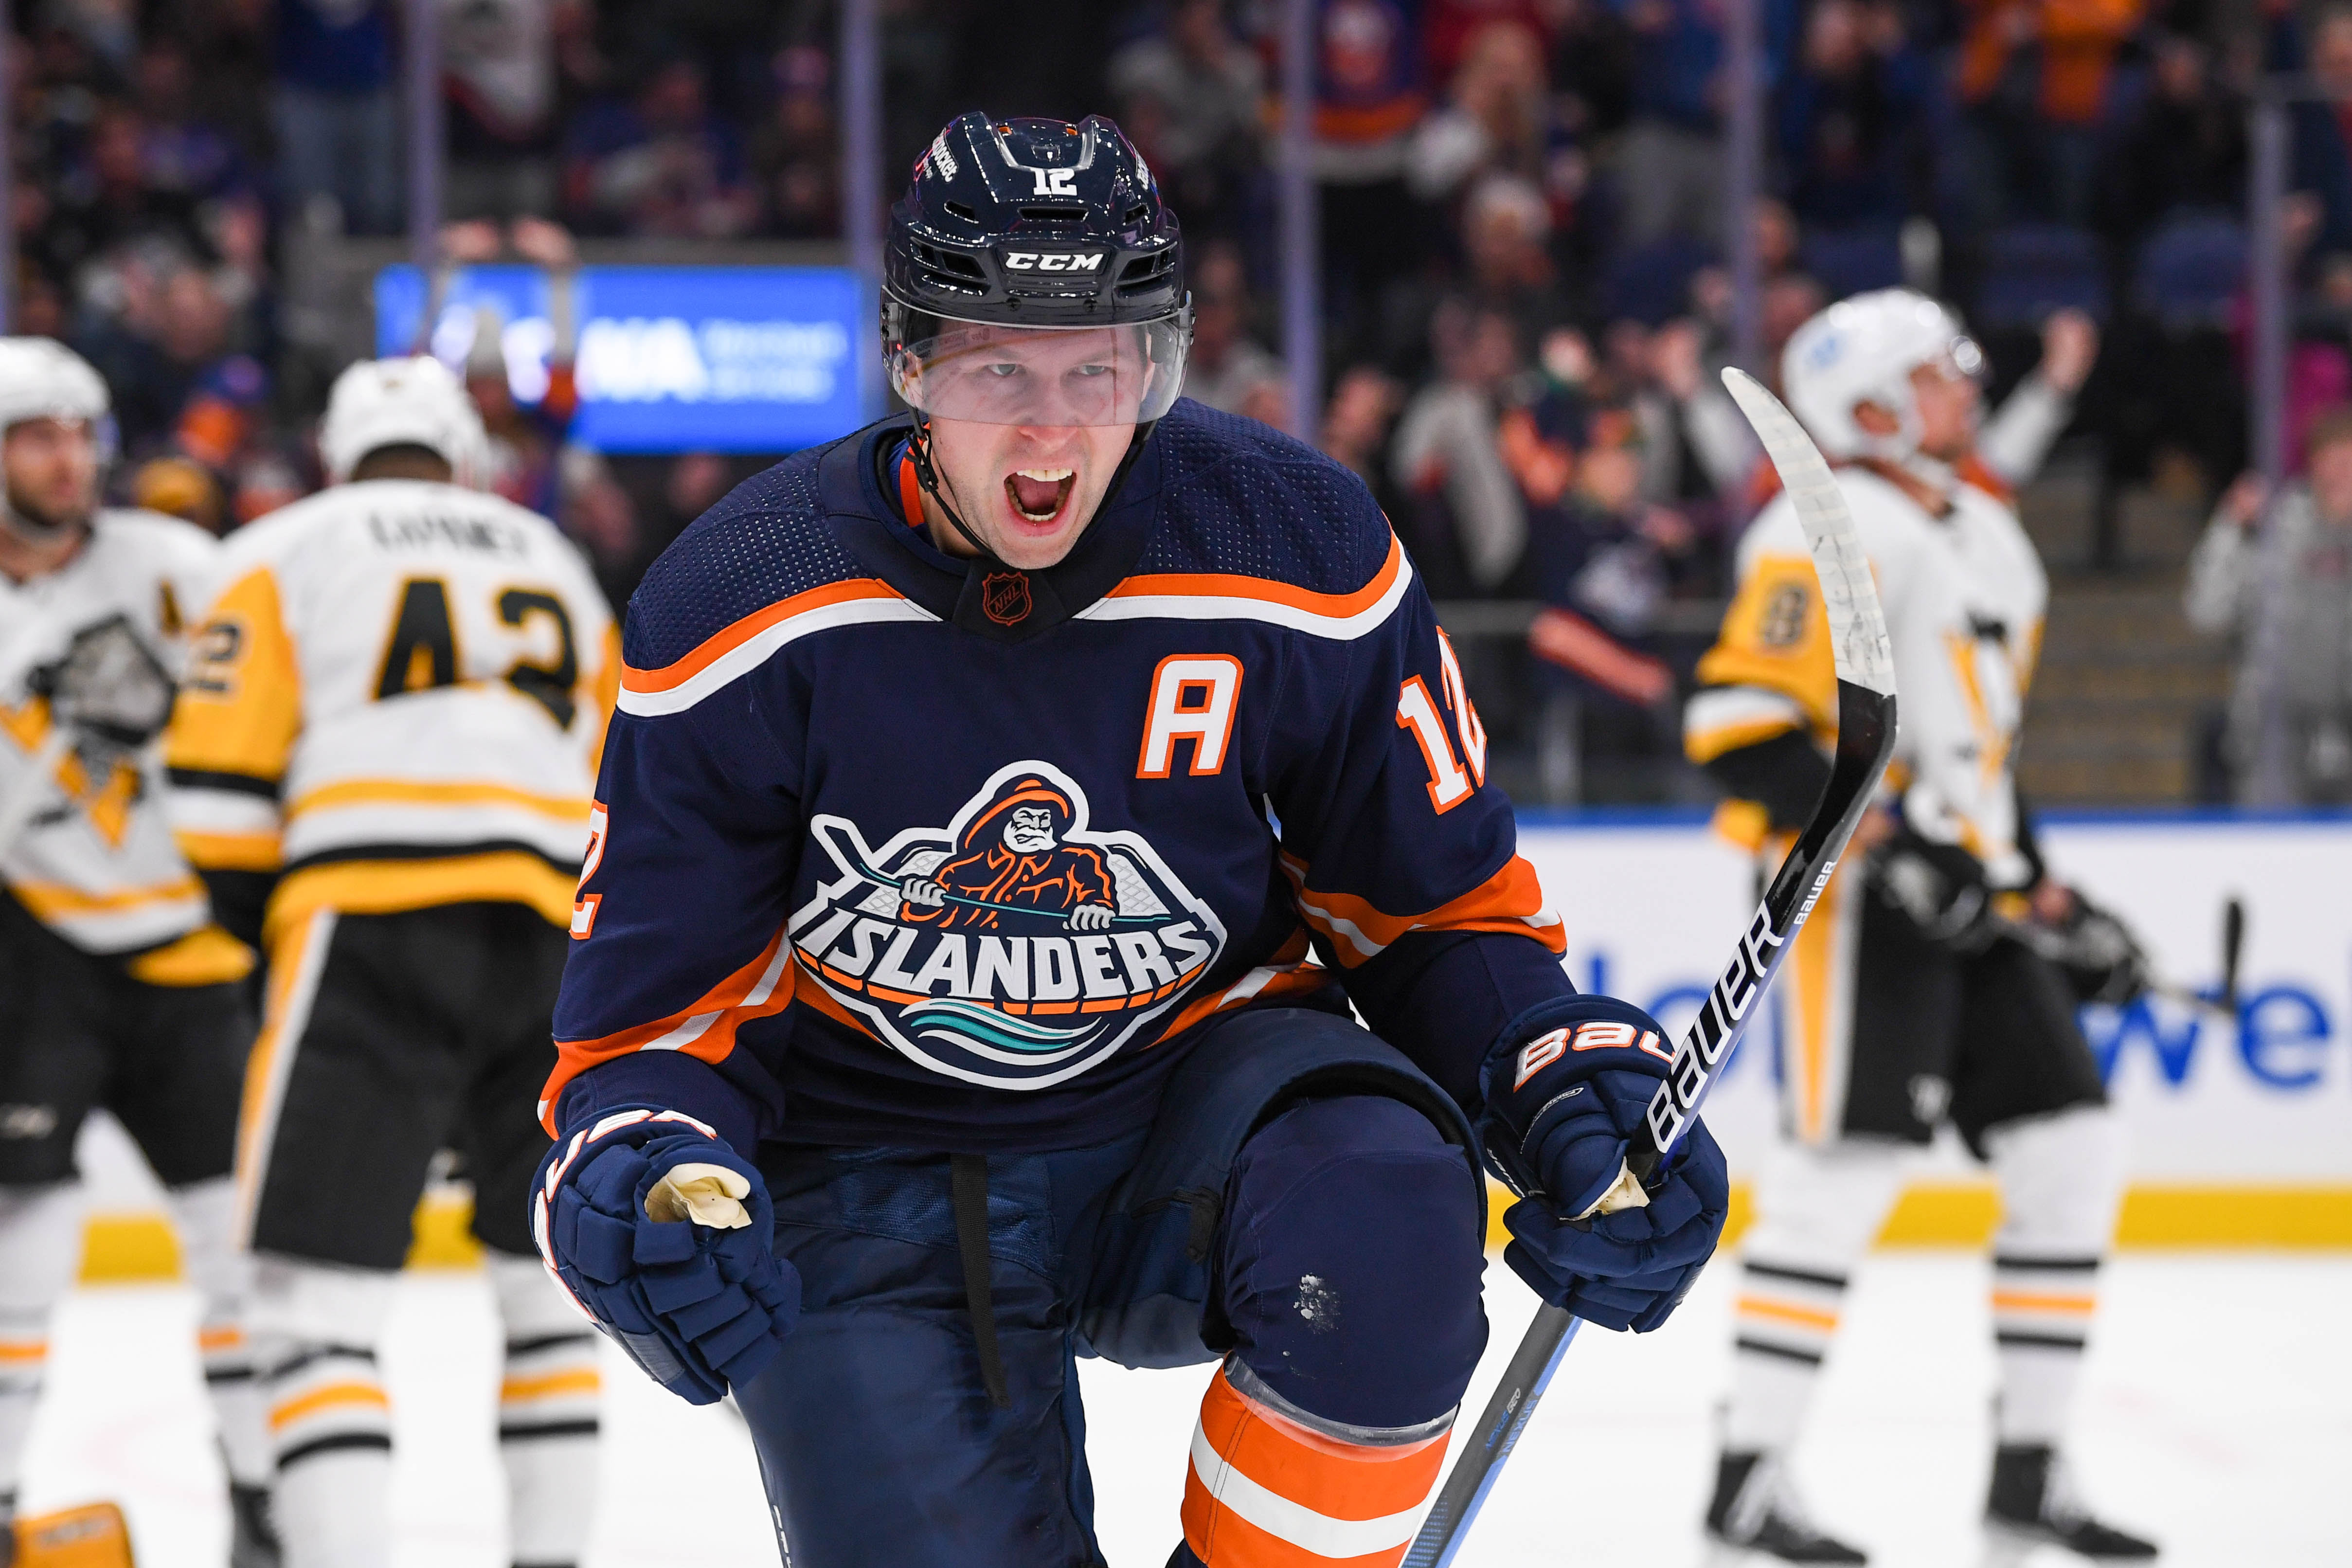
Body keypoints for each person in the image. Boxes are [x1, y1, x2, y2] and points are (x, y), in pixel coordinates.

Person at [531, 110, 1731, 1568]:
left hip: (1192, 1116)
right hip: (864, 1164)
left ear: (1152, 361)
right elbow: (655, 1019)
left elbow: (1435, 917)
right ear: (912, 364)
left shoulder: (1295, 548)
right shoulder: (741, 601)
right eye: (997, 369)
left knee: (1388, 1206)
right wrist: (638, 1161)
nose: (1052, 432)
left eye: (1096, 370)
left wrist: (1554, 1071)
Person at [1683, 290, 2157, 1562]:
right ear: (1872, 403)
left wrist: (2049, 891)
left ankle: (2026, 1469)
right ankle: (1746, 1475)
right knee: (1838, 1177)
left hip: (1971, 896)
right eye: (1941, 370)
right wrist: (1892, 852)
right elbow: (1735, 724)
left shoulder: (1981, 530)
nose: (1967, 382)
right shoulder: (1823, 524)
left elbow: (1975, 762)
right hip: (1852, 899)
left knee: (2069, 1151)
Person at [167, 357, 619, 1568]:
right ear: (466, 457)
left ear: (335, 453)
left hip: (365, 910)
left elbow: (208, 799)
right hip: (551, 930)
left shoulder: (281, 546)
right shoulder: (553, 562)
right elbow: (622, 781)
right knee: (542, 1295)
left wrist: (264, 943)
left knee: (314, 1313)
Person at [0, 338, 274, 1564]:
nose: (68, 458)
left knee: (236, 1252)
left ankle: (266, 1506)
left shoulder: (175, 565)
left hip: (190, 950)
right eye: (36, 435)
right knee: (21, 1257)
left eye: (79, 432)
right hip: (36, 950)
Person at [2185, 410, 2352, 804]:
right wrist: (2231, 526)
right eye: (2332, 464)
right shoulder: (2274, 530)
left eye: (2349, 466)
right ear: (2312, 467)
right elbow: (2206, 611)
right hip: (2272, 738)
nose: (2340, 477)